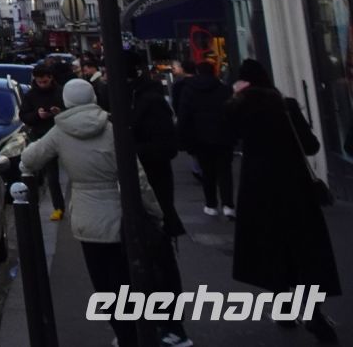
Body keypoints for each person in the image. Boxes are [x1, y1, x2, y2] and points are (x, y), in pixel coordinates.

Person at [22, 78, 178, 347]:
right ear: (93, 97)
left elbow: (29, 159)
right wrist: (155, 213)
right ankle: (141, 330)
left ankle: (123, 333)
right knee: (128, 278)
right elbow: (139, 179)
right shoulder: (112, 129)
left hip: (87, 218)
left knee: (103, 282)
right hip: (121, 215)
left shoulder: (60, 132)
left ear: (66, 101)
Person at [227, 59, 341, 342]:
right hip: (294, 185)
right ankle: (314, 313)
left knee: (271, 248)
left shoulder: (237, 108)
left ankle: (284, 308)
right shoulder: (285, 106)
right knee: (306, 248)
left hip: (257, 189)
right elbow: (310, 145)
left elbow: (227, 138)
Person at [127, 55, 185, 237]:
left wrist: (132, 152)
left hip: (152, 174)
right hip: (144, 173)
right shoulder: (132, 97)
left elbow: (166, 145)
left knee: (157, 227)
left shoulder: (148, 100)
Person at [176, 59, 234, 216]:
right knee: (225, 172)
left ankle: (211, 204)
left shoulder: (189, 90)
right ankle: (228, 204)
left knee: (207, 172)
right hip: (222, 136)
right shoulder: (224, 89)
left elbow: (184, 115)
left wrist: (182, 137)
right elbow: (232, 112)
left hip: (200, 137)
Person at [18, 63, 66, 220]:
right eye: (39, 82)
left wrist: (59, 113)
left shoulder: (60, 91)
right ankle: (35, 207)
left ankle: (58, 207)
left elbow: (70, 110)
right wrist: (37, 115)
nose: (42, 85)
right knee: (38, 174)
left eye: (45, 81)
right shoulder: (31, 95)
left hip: (59, 133)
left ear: (51, 78)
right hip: (40, 135)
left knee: (53, 175)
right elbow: (24, 115)